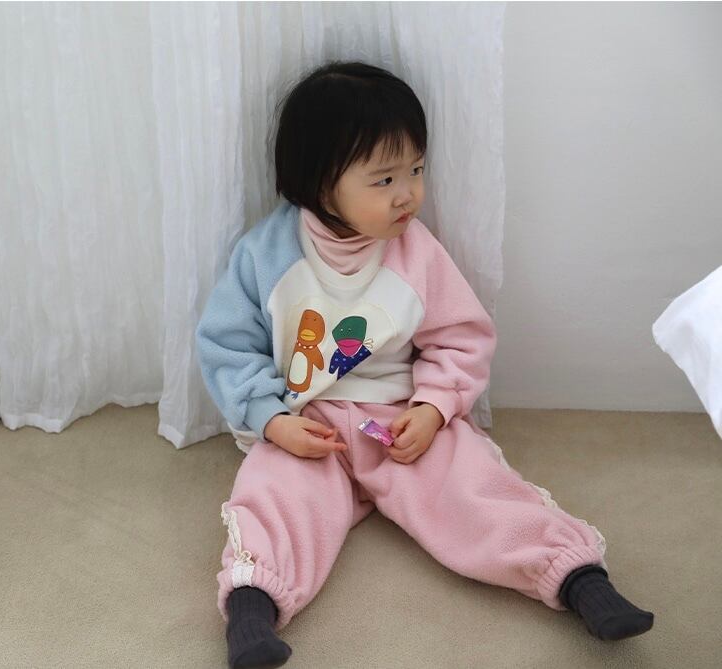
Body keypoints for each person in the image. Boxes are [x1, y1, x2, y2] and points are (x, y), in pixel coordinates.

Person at [195, 61, 654, 669]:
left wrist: (434, 409)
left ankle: (578, 580)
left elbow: (459, 339)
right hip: (307, 421)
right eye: (384, 179)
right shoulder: (266, 254)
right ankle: (253, 613)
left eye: (416, 170)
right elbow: (229, 346)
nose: (408, 193)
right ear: (321, 184)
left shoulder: (417, 254)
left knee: (472, 488)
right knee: (274, 497)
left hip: (397, 416)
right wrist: (272, 421)